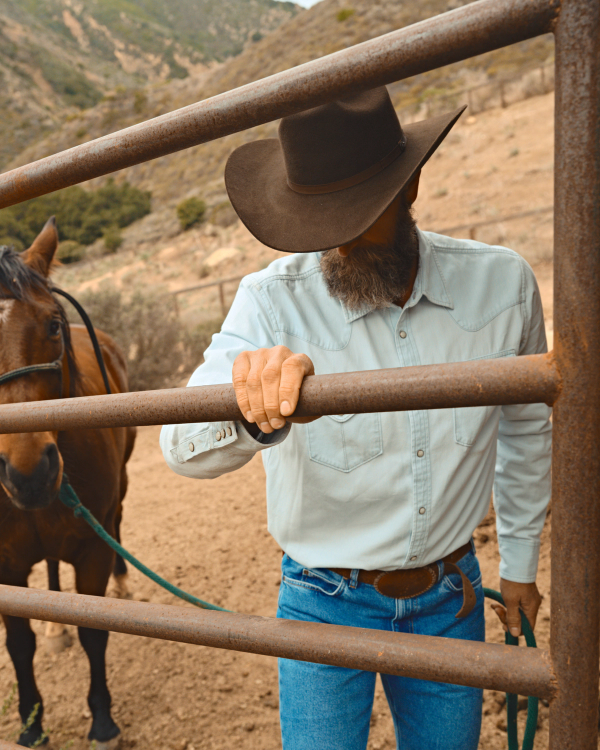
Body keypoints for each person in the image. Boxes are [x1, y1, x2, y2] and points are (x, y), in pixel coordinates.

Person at [160, 87, 551, 750]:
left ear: (412, 186)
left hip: (450, 600)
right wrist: (252, 410)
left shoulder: (503, 286)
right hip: (320, 603)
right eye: (314, 219)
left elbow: (525, 430)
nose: (333, 241)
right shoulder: (269, 303)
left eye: (355, 213)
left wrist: (519, 566)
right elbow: (180, 446)